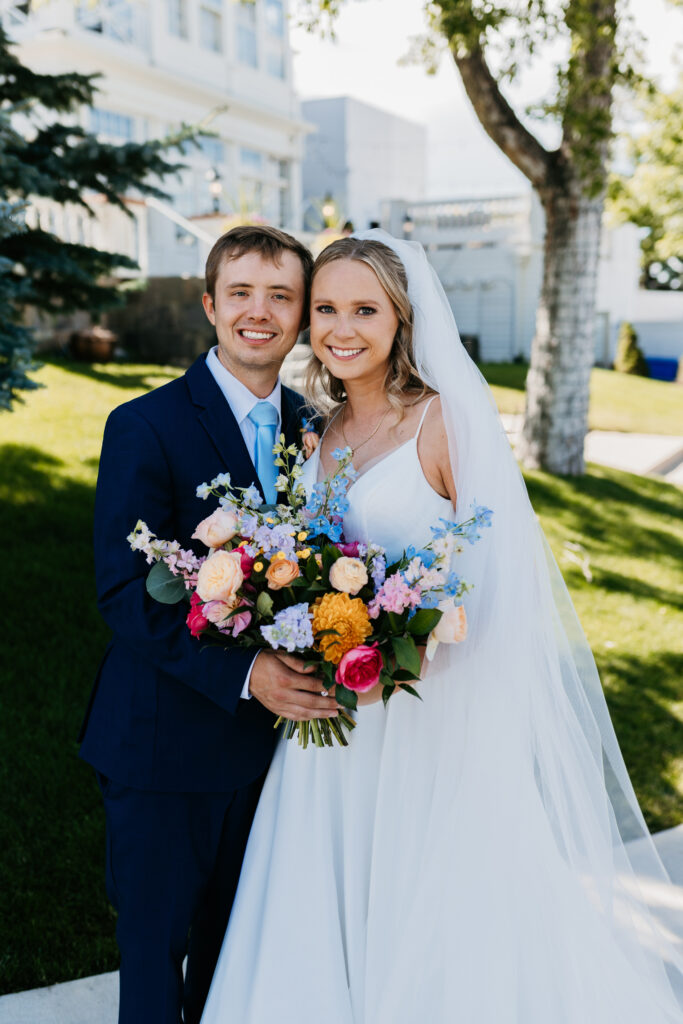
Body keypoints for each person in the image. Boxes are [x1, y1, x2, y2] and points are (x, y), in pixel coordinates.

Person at [200, 232, 683, 1023]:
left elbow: (500, 581)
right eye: (325, 308)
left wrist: (414, 646)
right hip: (334, 722)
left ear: (402, 321)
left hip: (431, 717)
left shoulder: (442, 425)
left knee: (425, 903)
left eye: (365, 309)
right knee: (323, 897)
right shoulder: (313, 436)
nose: (341, 328)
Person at [79, 225, 335, 1024]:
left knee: (235, 961)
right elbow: (125, 591)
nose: (258, 312)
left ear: (298, 316)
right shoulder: (144, 424)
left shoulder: (313, 431)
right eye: (241, 293)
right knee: (155, 967)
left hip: (269, 759)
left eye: (280, 296)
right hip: (160, 746)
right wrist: (245, 673)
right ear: (209, 305)